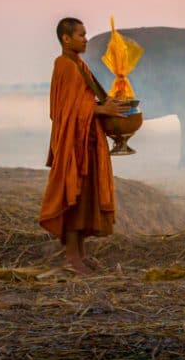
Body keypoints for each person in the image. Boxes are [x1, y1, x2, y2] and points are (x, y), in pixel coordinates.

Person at [39, 17, 130, 274]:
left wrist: (112, 104)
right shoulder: (64, 65)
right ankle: (71, 257)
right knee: (74, 195)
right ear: (66, 39)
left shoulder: (80, 65)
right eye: (81, 35)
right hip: (73, 141)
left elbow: (88, 100)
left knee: (86, 196)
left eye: (85, 34)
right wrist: (101, 109)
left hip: (88, 139)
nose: (85, 39)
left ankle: (81, 253)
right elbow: (65, 109)